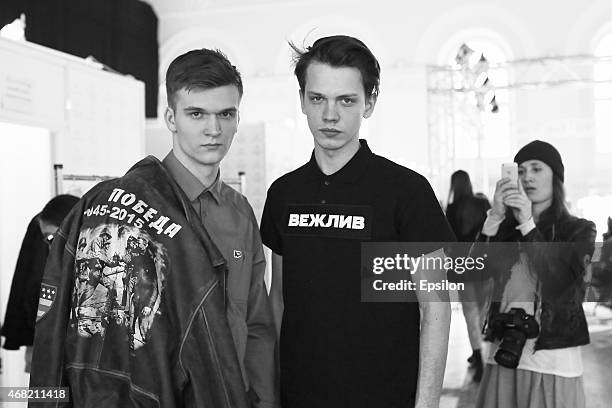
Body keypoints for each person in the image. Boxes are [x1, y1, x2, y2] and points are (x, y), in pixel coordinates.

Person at [30, 49, 276, 408]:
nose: (214, 129)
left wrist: (265, 401)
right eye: (197, 114)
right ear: (171, 118)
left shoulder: (239, 212)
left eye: (226, 114)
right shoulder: (120, 213)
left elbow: (256, 325)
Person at [260, 35, 455, 408]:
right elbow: (279, 301)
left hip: (384, 396)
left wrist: (426, 403)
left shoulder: (406, 192)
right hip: (300, 396)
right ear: (302, 100)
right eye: (318, 98)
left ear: (370, 102)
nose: (330, 115)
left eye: (346, 100)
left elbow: (435, 306)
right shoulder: (284, 194)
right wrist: (270, 393)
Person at [470, 140, 596, 408]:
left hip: (552, 359)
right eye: (522, 171)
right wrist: (495, 215)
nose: (527, 177)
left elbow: (558, 281)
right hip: (503, 353)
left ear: (556, 177)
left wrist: (528, 223)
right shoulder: (503, 229)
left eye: (537, 169)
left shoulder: (579, 230)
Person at [2, 195, 79, 372]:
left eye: (51, 239)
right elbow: (33, 287)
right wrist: (33, 341)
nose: (49, 248)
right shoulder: (42, 227)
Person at [445, 170, 490, 382]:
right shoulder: (483, 204)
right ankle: (483, 352)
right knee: (483, 310)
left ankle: (478, 355)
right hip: (485, 266)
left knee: (470, 312)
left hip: (463, 268)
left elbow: (448, 241)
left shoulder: (452, 209)